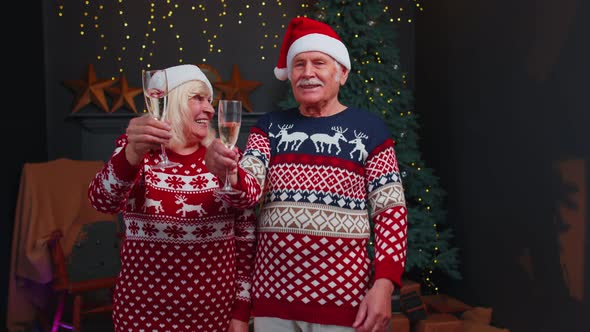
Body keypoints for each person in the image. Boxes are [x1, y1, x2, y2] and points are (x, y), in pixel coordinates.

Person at [205, 17, 408, 332]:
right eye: (299, 64)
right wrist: (228, 172)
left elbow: (390, 212)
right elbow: (247, 193)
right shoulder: (269, 127)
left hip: (345, 304)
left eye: (319, 63)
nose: (307, 73)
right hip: (273, 302)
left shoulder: (370, 130)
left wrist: (384, 285)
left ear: (341, 73)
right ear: (290, 75)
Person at [88, 64, 256, 332]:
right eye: (198, 99)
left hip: (214, 317)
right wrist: (131, 153)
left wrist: (240, 314)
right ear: (174, 102)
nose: (210, 109)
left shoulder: (220, 156)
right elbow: (102, 201)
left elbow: (246, 234)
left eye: (209, 101)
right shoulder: (136, 151)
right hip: (143, 315)